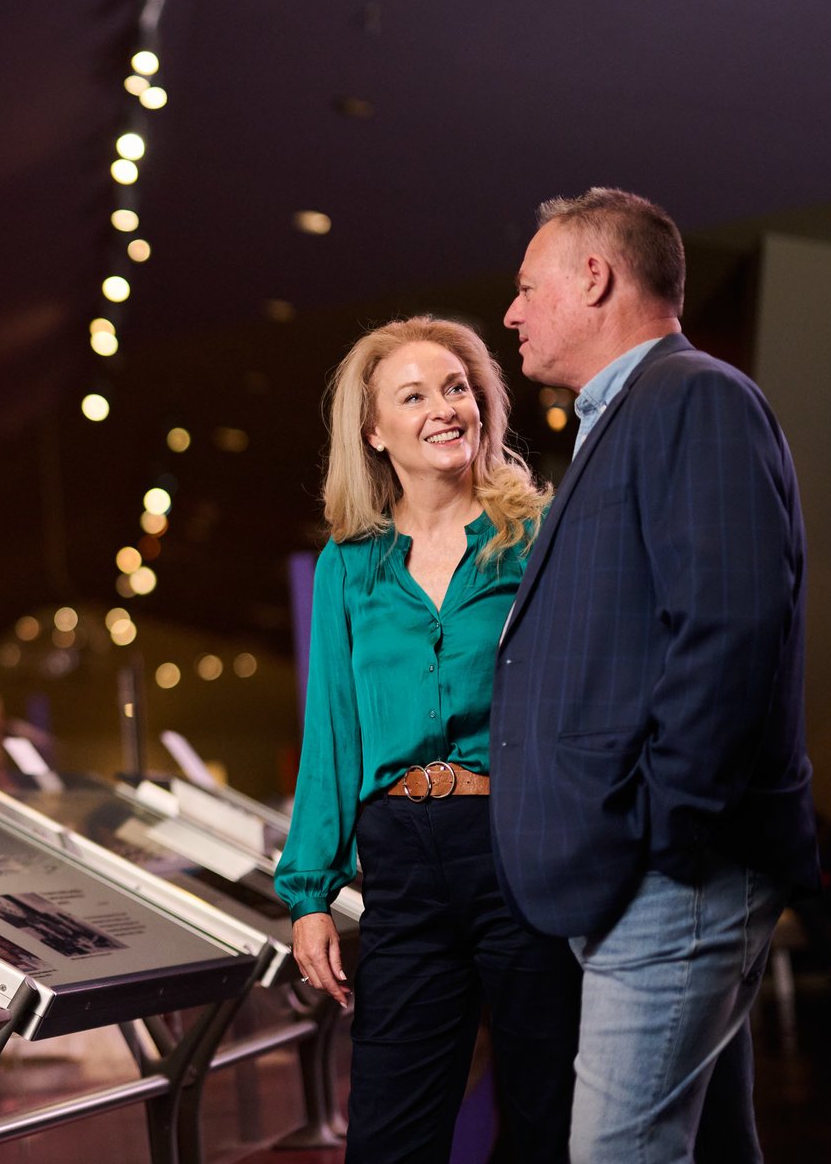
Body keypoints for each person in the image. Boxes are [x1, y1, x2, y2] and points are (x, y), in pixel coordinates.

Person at [492, 188, 818, 1162]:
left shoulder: (694, 396)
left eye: (527, 288)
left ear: (594, 277)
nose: (511, 313)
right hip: (646, 870)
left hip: (675, 870)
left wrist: (666, 827)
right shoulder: (626, 414)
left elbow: (730, 625)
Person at [278, 315, 580, 1162]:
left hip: (518, 845)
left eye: (457, 389)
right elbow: (332, 731)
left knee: (546, 1118)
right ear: (374, 432)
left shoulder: (538, 537)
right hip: (403, 860)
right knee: (388, 1132)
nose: (444, 408)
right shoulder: (350, 563)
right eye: (413, 397)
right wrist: (309, 895)